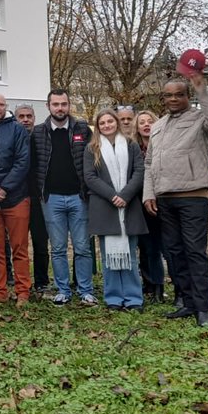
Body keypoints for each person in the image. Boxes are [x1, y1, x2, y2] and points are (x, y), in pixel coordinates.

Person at [143, 73, 208, 328]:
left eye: (179, 94)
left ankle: (203, 309)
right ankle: (187, 301)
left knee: (194, 252)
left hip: (193, 196)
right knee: (174, 253)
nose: (173, 99)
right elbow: (149, 163)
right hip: (164, 198)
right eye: (168, 95)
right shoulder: (158, 126)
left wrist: (202, 88)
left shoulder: (200, 119)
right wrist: (149, 192)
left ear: (187, 96)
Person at [32, 90, 94, 306]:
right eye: (56, 104)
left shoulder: (83, 130)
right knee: (57, 248)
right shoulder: (38, 132)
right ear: (48, 106)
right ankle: (63, 290)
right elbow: (34, 165)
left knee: (82, 247)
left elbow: (94, 158)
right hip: (51, 199)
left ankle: (85, 290)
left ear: (69, 105)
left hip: (79, 197)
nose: (60, 108)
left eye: (64, 104)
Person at [83, 110, 147, 310]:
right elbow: (90, 177)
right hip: (105, 206)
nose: (107, 125)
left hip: (129, 206)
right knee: (108, 256)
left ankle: (133, 297)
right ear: (98, 126)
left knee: (130, 254)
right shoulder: (91, 148)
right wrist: (112, 196)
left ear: (117, 123)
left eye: (110, 121)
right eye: (102, 123)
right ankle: (113, 298)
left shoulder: (131, 145)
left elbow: (139, 171)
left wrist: (125, 195)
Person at [0, 94, 31, 306]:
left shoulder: (17, 129)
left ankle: (23, 291)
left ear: (6, 107)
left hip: (15, 197)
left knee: (19, 248)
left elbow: (23, 161)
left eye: (1, 104)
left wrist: (4, 188)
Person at [14, 104, 52, 292]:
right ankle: (19, 282)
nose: (25, 119)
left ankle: (41, 282)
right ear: (15, 118)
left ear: (34, 118)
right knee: (18, 244)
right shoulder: (11, 137)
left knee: (40, 242)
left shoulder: (40, 137)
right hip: (16, 198)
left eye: (29, 116)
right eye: (21, 116)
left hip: (38, 198)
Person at [133, 110, 167, 304]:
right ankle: (149, 284)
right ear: (137, 128)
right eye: (142, 122)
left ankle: (159, 286)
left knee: (159, 247)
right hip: (140, 202)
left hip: (162, 200)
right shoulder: (133, 149)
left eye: (150, 121)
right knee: (146, 246)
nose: (146, 125)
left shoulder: (163, 146)